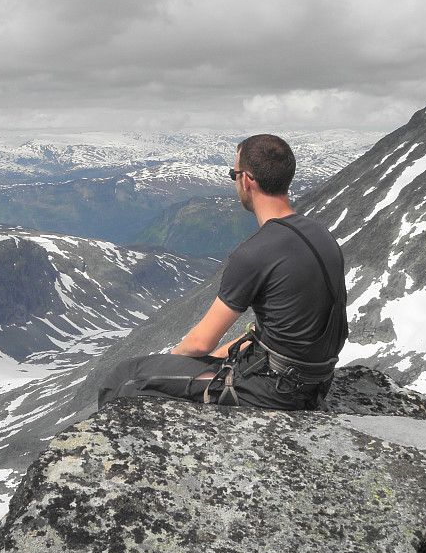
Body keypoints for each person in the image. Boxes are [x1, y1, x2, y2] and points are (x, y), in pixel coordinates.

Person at [98, 133, 347, 411]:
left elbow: (199, 343)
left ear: (247, 180)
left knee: (124, 377)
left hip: (275, 389)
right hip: (314, 380)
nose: (235, 181)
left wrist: (173, 365)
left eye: (234, 174)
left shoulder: (255, 252)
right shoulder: (320, 233)